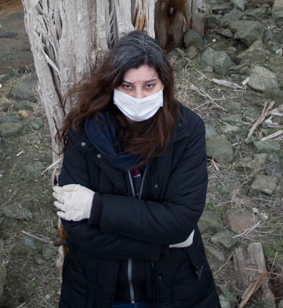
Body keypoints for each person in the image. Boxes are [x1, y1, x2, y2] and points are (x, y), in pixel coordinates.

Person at [52, 30, 220, 308]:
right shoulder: (83, 132)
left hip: (175, 290)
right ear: (112, 86)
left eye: (149, 85)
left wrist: (97, 207)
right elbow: (78, 230)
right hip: (96, 290)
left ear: (164, 84)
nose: (139, 96)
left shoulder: (187, 130)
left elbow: (180, 221)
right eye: (127, 86)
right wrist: (161, 244)